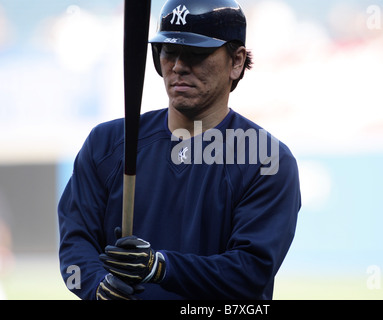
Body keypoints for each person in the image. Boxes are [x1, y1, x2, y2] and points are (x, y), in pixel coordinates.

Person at [58, 0, 301, 300]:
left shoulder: (267, 159)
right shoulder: (106, 144)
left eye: (196, 53)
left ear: (236, 62)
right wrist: (98, 288)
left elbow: (250, 272)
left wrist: (161, 267)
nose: (178, 66)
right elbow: (75, 244)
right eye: (169, 51)